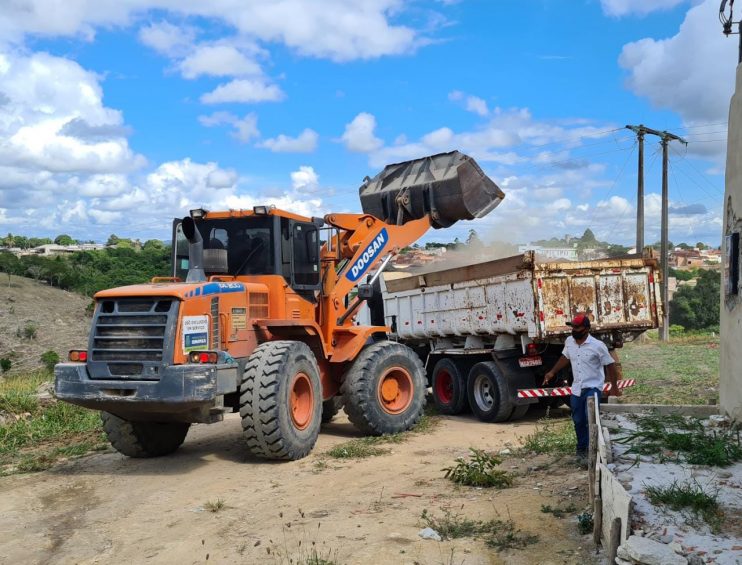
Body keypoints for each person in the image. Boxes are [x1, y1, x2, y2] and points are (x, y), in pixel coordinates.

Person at [543, 314, 620, 462]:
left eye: (577, 327)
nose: (574, 329)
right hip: (577, 389)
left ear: (586, 329)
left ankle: (596, 449)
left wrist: (614, 387)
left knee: (591, 419)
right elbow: (565, 357)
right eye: (572, 326)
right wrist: (552, 372)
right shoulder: (569, 342)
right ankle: (582, 449)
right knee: (578, 420)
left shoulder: (597, 345)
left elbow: (610, 365)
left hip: (593, 388)